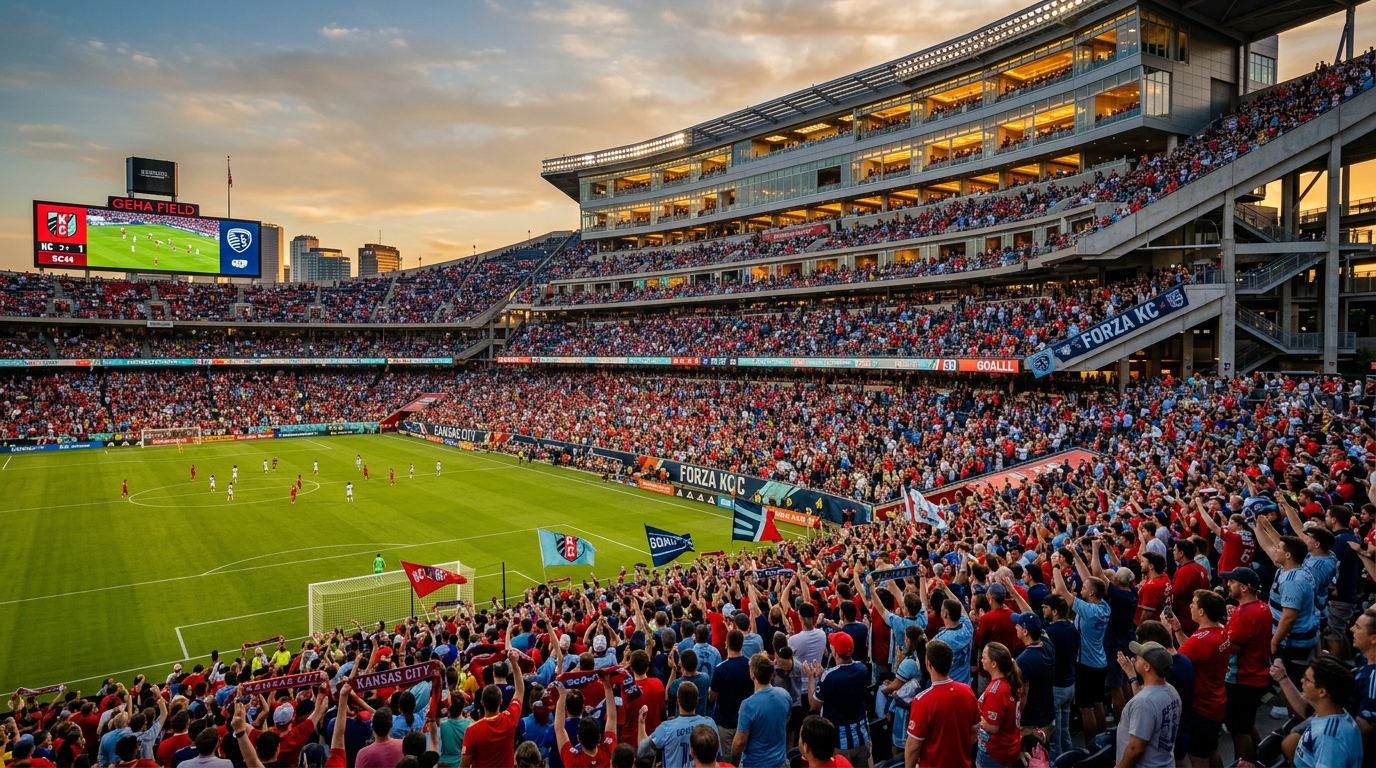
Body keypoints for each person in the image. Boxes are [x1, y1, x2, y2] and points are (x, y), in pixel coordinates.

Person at [1171, 590, 1230, 768]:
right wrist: (1178, 629)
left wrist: (1167, 635)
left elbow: (1176, 662)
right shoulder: (1220, 630)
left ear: (1202, 611)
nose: (1190, 606)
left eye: (1193, 604)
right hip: (1217, 702)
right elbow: (1194, 653)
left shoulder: (1200, 641)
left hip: (1201, 708)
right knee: (1212, 750)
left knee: (1198, 757)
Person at [1270, 656, 1364, 767]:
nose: (1302, 680)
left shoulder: (1329, 738)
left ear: (1322, 692)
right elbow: (1305, 709)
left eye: (1307, 679)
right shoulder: (1330, 714)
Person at [1220, 567, 1272, 762]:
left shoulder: (1247, 613)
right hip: (1255, 675)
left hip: (1242, 679)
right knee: (1246, 724)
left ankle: (1244, 765)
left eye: (1232, 582)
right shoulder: (1261, 607)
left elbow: (1231, 647)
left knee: (1238, 731)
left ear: (1243, 587)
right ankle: (1261, 759)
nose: (1228, 585)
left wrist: (1221, 629)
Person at [905, 639, 978, 768]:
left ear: (928, 664)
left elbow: (913, 746)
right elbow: (975, 729)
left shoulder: (922, 701)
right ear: (951, 664)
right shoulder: (967, 691)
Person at [805, 632, 870, 767]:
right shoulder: (863, 669)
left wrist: (811, 678)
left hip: (840, 744)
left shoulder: (830, 677)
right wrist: (824, 677)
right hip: (862, 738)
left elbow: (814, 705)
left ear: (834, 651)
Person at [1115, 642, 1182, 768]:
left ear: (1147, 666)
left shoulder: (1144, 702)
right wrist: (1132, 677)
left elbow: (1136, 748)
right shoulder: (1171, 691)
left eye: (1138, 657)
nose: (1133, 659)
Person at [462, 649, 526, 767]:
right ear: (500, 702)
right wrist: (514, 663)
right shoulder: (509, 720)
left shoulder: (471, 731)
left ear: (482, 703)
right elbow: (520, 691)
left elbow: (464, 765)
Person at [732, 653, 790, 768]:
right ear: (772, 675)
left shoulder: (748, 705)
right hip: (780, 762)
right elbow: (786, 720)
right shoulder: (785, 695)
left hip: (754, 764)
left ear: (752, 674)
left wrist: (734, 755)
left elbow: (739, 743)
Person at [641, 680, 715, 768]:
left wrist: (641, 722)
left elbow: (642, 750)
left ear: (678, 702)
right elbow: (717, 756)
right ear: (697, 701)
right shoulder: (710, 724)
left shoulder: (666, 728)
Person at [1042, 595, 1079, 760]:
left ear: (1055, 611)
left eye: (1046, 608)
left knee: (1055, 734)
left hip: (1057, 686)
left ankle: (1058, 762)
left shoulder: (1051, 633)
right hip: (1070, 684)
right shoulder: (1073, 629)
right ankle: (1070, 758)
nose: (1043, 610)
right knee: (1064, 727)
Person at [554, 673, 617, 768]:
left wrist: (562, 696)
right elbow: (612, 718)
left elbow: (559, 729)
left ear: (578, 739)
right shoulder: (607, 751)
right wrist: (607, 687)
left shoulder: (572, 759)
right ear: (599, 737)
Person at [976, 642, 1023, 768]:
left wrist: (974, 717)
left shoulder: (997, 691)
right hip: (1009, 747)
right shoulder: (1012, 682)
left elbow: (992, 727)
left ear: (994, 664)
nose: (981, 659)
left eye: (984, 657)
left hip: (994, 753)